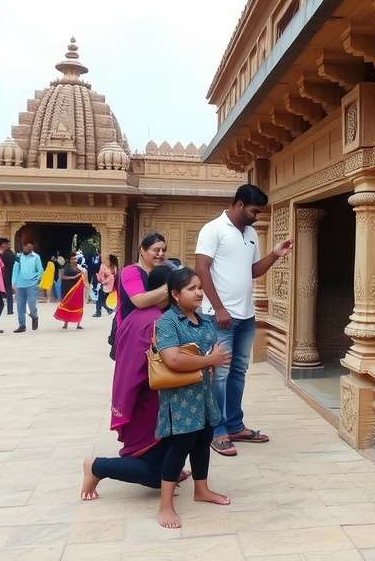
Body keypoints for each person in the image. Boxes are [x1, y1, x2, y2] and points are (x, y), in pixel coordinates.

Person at [195, 184, 293, 457]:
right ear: (239, 204)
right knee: (220, 374)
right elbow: (201, 268)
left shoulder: (250, 234)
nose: (257, 216)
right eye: (254, 210)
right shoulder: (213, 229)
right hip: (219, 317)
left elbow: (251, 271)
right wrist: (219, 308)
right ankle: (217, 431)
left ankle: (235, 425)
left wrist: (274, 254)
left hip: (246, 316)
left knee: (238, 372)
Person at [81, 264, 192, 500]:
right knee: (157, 474)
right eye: (189, 288)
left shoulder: (141, 316)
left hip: (137, 399)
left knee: (172, 456)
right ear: (169, 292)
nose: (194, 294)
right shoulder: (156, 323)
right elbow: (162, 367)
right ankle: (97, 466)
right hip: (147, 404)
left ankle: (166, 467)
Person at [153, 267, 231, 529]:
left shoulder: (205, 320)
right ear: (175, 294)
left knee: (203, 439)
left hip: (204, 393)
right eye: (191, 289)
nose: (199, 293)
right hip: (180, 397)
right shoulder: (167, 322)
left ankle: (202, 489)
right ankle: (165, 505)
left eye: (199, 287)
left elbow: (211, 351)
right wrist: (210, 359)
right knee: (180, 446)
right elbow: (172, 358)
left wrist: (212, 360)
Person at [108, 234, 168, 361]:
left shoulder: (162, 272)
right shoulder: (131, 271)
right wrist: (170, 286)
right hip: (131, 333)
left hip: (155, 334)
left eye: (163, 250)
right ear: (142, 250)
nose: (161, 254)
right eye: (156, 250)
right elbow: (140, 301)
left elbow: (162, 304)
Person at [11, 242, 44, 333]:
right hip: (20, 285)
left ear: (32, 248)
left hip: (31, 285)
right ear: (23, 246)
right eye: (26, 247)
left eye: (30, 248)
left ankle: (34, 316)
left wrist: (37, 279)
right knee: (20, 306)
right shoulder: (18, 257)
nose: (28, 249)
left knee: (31, 304)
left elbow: (40, 270)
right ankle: (22, 325)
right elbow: (15, 270)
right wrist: (13, 283)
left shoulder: (36, 257)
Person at [55, 253, 85, 329]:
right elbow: (62, 277)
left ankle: (78, 323)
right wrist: (74, 277)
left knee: (78, 305)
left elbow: (83, 276)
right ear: (70, 260)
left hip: (77, 290)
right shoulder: (66, 267)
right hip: (67, 289)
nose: (75, 260)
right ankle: (65, 324)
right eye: (73, 259)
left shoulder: (79, 267)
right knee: (67, 305)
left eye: (75, 259)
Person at [1, 246, 16, 315]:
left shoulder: (2, 255)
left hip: (2, 276)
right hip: (9, 277)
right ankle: (10, 310)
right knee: (9, 294)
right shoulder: (12, 255)